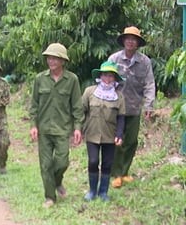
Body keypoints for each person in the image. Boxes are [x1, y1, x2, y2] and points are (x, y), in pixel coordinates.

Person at [29, 43, 83, 208]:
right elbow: (34, 105)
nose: (51, 61)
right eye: (49, 58)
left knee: (62, 162)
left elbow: (77, 106)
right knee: (45, 164)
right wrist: (33, 125)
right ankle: (50, 197)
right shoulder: (40, 79)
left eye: (55, 58)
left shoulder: (72, 80)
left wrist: (77, 128)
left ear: (62, 61)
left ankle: (57, 181)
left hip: (62, 128)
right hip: (44, 129)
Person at [108, 26, 156, 189]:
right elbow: (105, 80)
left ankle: (125, 171)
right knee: (116, 141)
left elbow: (149, 84)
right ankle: (116, 174)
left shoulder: (144, 62)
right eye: (127, 38)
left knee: (131, 141)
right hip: (115, 107)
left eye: (133, 39)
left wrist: (149, 105)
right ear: (123, 41)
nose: (130, 41)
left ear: (137, 43)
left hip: (134, 107)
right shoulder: (114, 59)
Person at [81, 61, 126, 202]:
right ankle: (92, 191)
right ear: (100, 76)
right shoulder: (90, 92)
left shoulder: (119, 96)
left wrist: (119, 134)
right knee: (93, 161)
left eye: (111, 76)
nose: (108, 79)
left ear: (115, 79)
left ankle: (103, 192)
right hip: (92, 133)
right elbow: (81, 111)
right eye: (105, 75)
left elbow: (121, 118)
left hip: (110, 136)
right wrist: (78, 130)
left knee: (107, 164)